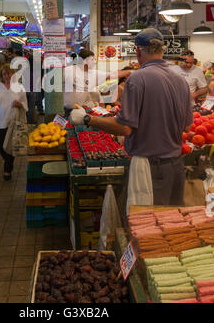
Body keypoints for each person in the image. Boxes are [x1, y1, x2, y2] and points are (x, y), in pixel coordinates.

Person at [69, 28, 193, 207]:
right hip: (176, 165)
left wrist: (87, 119)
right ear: (162, 50)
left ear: (137, 50)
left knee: (146, 225)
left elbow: (125, 128)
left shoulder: (137, 79)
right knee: (171, 224)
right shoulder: (181, 81)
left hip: (149, 168)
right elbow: (188, 128)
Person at [0, 64, 28, 181]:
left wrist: (20, 104)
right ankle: (8, 161)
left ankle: (7, 169)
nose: (7, 76)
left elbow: (25, 105)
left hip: (12, 122)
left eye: (9, 73)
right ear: (1, 75)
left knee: (10, 146)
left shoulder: (19, 87)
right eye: (4, 74)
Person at [64, 49, 131, 118]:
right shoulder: (68, 70)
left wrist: (129, 72)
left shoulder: (93, 74)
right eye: (92, 60)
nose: (94, 62)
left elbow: (112, 75)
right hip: (66, 110)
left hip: (80, 110)